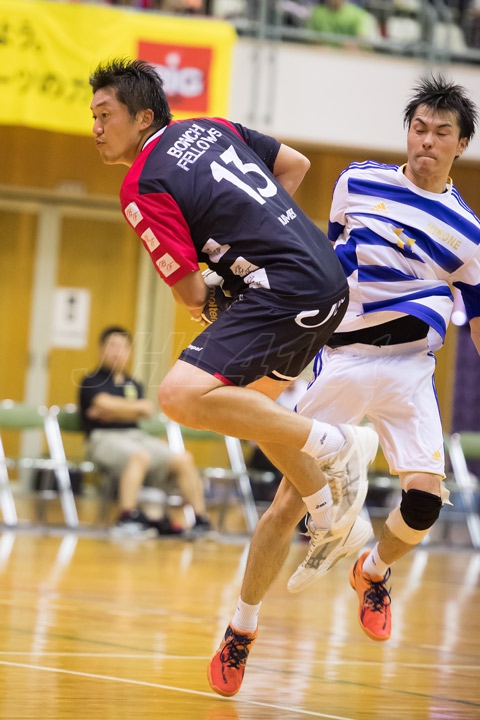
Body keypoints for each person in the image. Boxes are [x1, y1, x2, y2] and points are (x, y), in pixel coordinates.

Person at [89, 57, 379, 695]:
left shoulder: (142, 183)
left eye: (105, 115)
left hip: (282, 291)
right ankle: (328, 521)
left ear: (142, 117)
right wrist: (260, 240)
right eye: (93, 117)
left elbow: (193, 293)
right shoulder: (212, 126)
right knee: (256, 421)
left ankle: (339, 446)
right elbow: (295, 166)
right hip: (326, 280)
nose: (96, 128)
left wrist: (231, 279)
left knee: (179, 394)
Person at [286, 75, 480, 646]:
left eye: (441, 132)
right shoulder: (356, 181)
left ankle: (372, 570)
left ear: (461, 144)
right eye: (418, 128)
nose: (426, 140)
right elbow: (331, 262)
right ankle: (241, 626)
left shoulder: (470, 235)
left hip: (410, 367)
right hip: (343, 355)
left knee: (424, 502)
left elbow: (476, 323)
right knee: (286, 501)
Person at [79, 325, 213, 538]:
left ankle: (200, 520)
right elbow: (103, 403)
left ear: (130, 352)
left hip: (136, 437)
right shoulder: (91, 380)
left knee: (183, 459)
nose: (117, 352)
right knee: (138, 456)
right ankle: (126, 518)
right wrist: (132, 410)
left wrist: (114, 410)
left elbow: (146, 409)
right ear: (101, 349)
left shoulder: (134, 384)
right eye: (112, 346)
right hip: (102, 438)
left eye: (123, 347)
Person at [306, 0, 380, 48]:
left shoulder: (360, 15)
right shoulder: (317, 12)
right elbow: (309, 38)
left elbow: (363, 39)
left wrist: (353, 44)